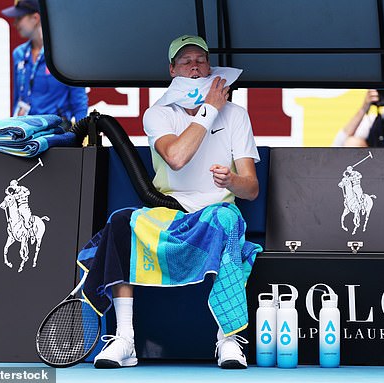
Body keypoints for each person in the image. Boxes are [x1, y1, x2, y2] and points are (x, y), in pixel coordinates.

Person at [82, 35, 261, 369]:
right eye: (185, 61)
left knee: (229, 220)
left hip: (215, 214)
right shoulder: (158, 114)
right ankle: (124, 339)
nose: (195, 66)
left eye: (201, 60)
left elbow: (251, 189)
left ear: (210, 67)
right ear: (172, 70)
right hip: (170, 214)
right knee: (121, 221)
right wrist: (209, 109)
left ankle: (229, 340)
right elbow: (177, 158)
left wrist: (232, 180)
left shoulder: (236, 115)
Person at [1, 0, 88, 123]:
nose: (15, 23)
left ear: (35, 18)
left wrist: (82, 131)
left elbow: (79, 101)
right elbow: (18, 98)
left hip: (55, 132)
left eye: (19, 18)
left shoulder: (65, 53)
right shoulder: (19, 54)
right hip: (26, 131)